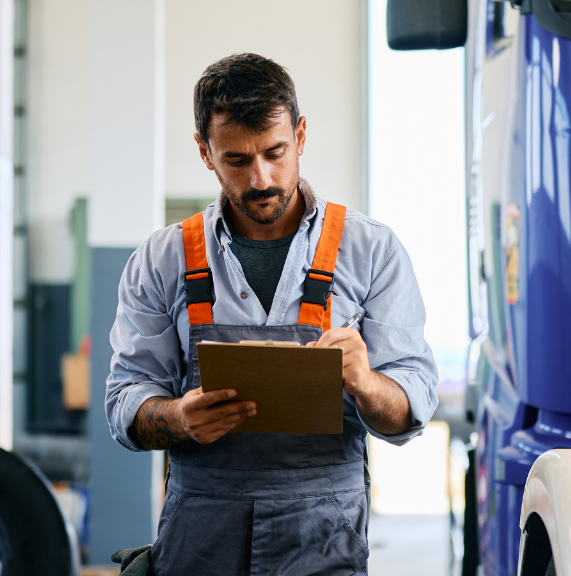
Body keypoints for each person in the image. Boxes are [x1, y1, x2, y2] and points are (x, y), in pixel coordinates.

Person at [104, 53, 439, 575]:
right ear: (204, 152)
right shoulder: (163, 259)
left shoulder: (372, 251)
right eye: (236, 159)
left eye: (275, 152)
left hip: (324, 540)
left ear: (300, 136)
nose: (261, 178)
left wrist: (366, 383)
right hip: (200, 538)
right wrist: (176, 418)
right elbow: (125, 400)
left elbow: (410, 409)